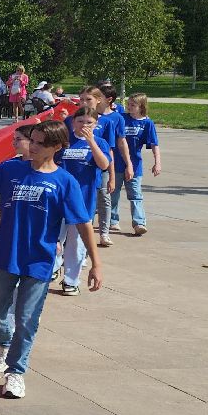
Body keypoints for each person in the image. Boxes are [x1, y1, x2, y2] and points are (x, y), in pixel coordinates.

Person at [0, 121, 101, 399]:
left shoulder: (64, 181)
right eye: (31, 140)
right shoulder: (11, 170)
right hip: (4, 254)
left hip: (39, 260)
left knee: (26, 318)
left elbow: (82, 223)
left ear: (56, 147)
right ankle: (2, 342)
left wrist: (96, 263)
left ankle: (16, 372)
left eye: (39, 143)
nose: (32, 146)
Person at [55, 103, 111, 296]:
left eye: (89, 122)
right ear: (72, 123)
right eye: (80, 121)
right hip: (59, 199)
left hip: (83, 200)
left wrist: (91, 142)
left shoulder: (100, 143)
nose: (84, 125)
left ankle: (71, 280)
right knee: (54, 237)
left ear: (96, 124)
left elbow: (103, 164)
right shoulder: (63, 142)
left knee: (76, 242)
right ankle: (53, 266)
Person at [93, 85, 134, 245]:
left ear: (108, 99)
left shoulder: (116, 118)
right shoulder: (87, 115)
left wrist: (128, 164)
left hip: (107, 164)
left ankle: (105, 232)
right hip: (87, 165)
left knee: (105, 197)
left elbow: (121, 142)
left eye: (99, 96)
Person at [116, 93, 161, 236]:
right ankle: (112, 220)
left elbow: (154, 144)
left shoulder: (147, 123)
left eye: (132, 105)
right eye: (128, 104)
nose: (129, 107)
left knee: (135, 195)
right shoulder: (122, 118)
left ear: (141, 106)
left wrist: (157, 162)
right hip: (116, 163)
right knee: (112, 193)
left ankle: (139, 223)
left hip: (135, 164)